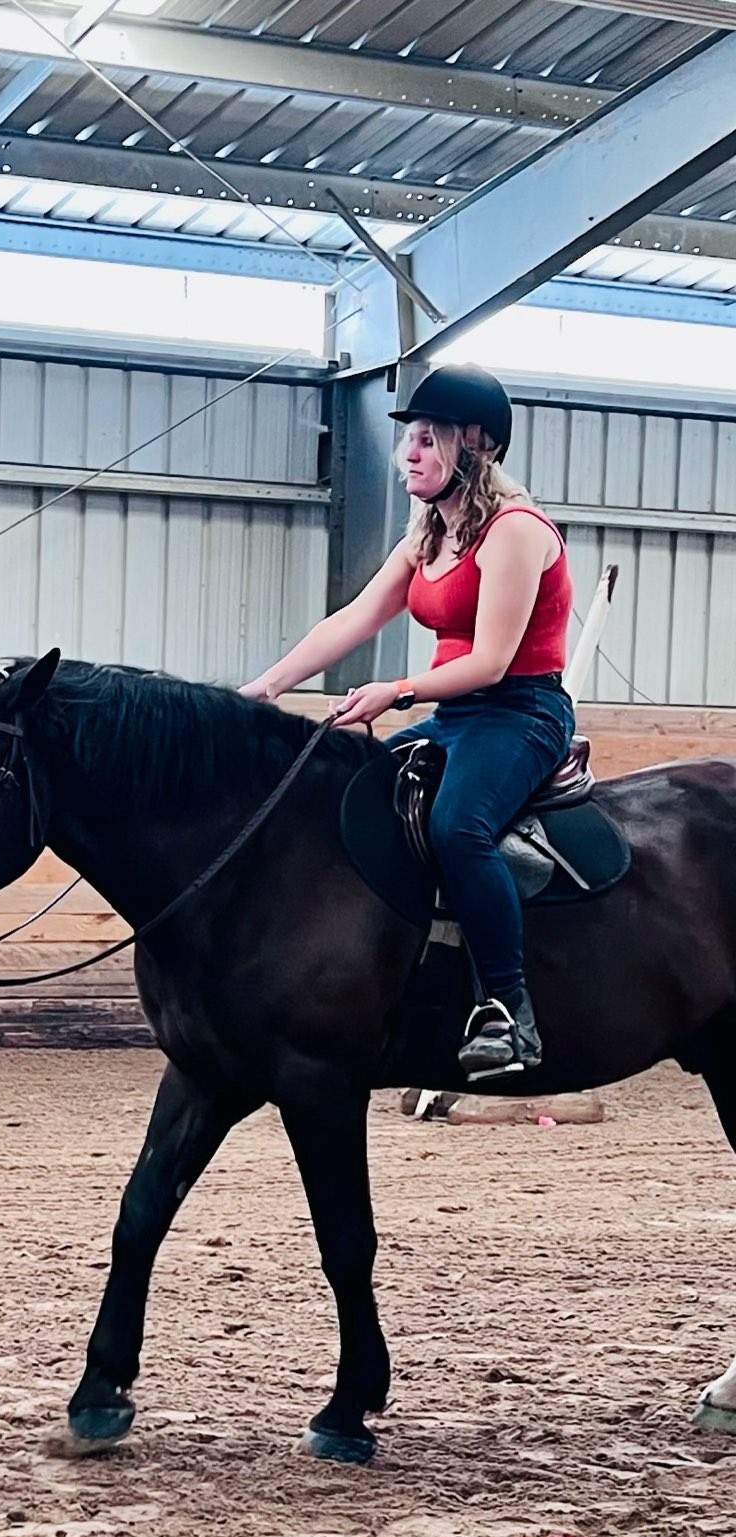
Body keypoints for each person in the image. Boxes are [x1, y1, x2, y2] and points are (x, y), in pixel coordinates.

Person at [240, 364, 574, 1080]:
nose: (410, 455)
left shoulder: (516, 532)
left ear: (475, 444)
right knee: (361, 802)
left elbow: (490, 662)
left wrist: (397, 689)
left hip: (522, 711)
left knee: (459, 826)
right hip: (457, 713)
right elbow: (354, 619)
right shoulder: (429, 535)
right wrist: (265, 687)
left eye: (427, 439)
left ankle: (510, 1013)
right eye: (409, 442)